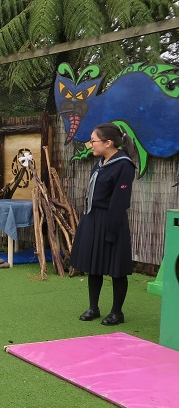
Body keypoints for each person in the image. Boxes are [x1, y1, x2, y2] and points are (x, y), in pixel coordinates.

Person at [71, 123, 136, 326]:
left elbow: (120, 201)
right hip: (93, 218)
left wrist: (111, 231)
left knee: (117, 268)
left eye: (93, 141)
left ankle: (117, 312)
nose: (91, 145)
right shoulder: (100, 162)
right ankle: (94, 307)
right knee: (94, 265)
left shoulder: (124, 165)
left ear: (108, 143)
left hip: (112, 220)